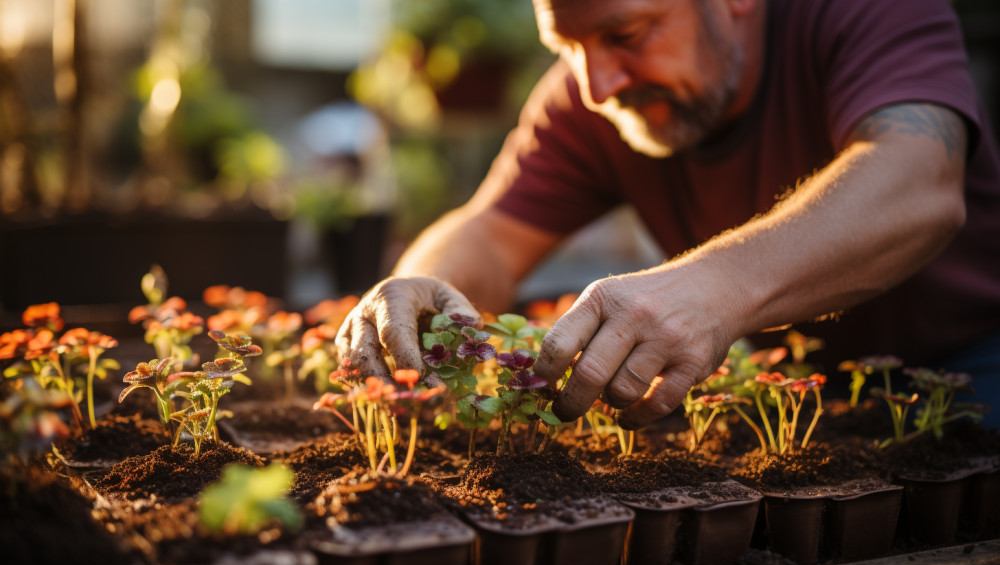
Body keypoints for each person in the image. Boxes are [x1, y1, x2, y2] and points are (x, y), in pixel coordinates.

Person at [336, 0, 1000, 429]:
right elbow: (488, 233)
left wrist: (714, 286)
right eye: (567, 47)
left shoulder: (864, 12)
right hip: (810, 395)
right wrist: (420, 289)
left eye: (624, 34)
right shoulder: (594, 99)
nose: (597, 87)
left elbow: (919, 183)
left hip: (977, 359)